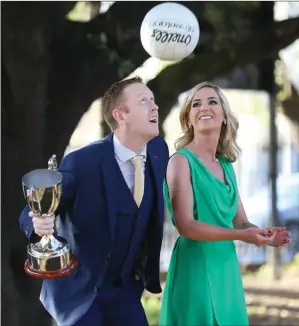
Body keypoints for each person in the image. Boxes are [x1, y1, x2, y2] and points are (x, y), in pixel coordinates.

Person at [19, 76, 169, 326]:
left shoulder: (158, 151)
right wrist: (37, 224)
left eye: (153, 101)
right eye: (144, 101)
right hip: (80, 293)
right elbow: (36, 207)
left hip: (124, 291)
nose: (155, 107)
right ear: (120, 115)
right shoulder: (83, 162)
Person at [159, 81, 291, 326]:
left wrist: (263, 234)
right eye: (195, 104)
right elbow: (186, 226)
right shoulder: (180, 162)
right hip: (195, 267)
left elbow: (240, 221)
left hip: (226, 268)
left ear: (223, 116)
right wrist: (242, 236)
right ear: (188, 119)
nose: (204, 107)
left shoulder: (226, 165)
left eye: (212, 101)